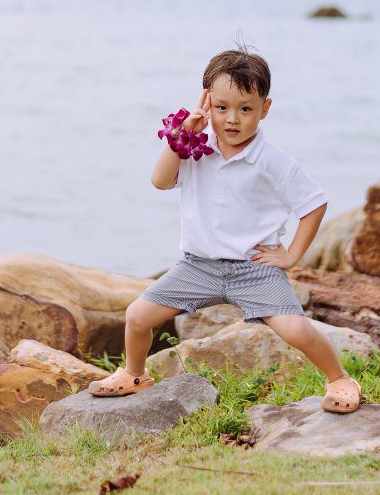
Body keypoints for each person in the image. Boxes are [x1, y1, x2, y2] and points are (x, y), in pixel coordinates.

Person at [89, 49, 361, 413]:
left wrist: (292, 254)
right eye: (221, 108)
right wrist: (181, 136)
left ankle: (339, 378)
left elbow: (314, 204)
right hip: (198, 266)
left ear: (265, 109)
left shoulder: (273, 161)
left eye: (245, 109)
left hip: (254, 269)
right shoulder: (195, 150)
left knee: (296, 330)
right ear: (205, 102)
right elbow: (160, 181)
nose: (232, 119)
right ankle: (134, 373)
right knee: (138, 315)